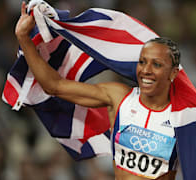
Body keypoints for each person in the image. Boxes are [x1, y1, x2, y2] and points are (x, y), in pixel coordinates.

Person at [15, 2, 179, 179]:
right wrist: (24, 38)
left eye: (156, 64)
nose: (146, 70)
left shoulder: (184, 115)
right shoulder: (119, 97)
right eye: (142, 62)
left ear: (173, 73)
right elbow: (54, 86)